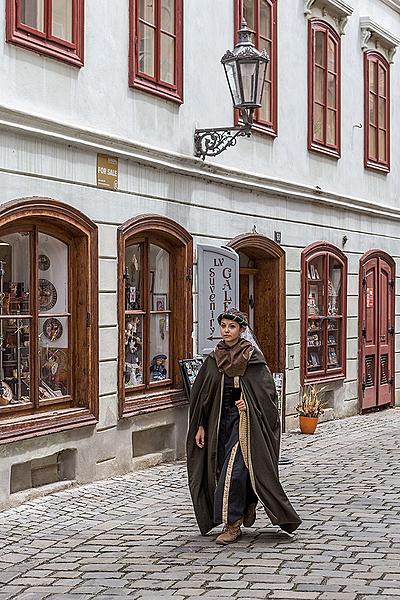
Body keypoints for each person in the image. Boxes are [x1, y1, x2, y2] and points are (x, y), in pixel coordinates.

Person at [186, 308, 301, 545]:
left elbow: (268, 395)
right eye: (224, 326)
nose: (226, 331)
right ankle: (245, 506)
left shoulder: (252, 357)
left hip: (246, 423)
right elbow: (203, 396)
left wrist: (247, 404)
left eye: (232, 327)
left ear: (241, 330)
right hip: (218, 423)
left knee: (234, 471)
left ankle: (232, 525)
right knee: (220, 470)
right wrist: (200, 425)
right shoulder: (213, 358)